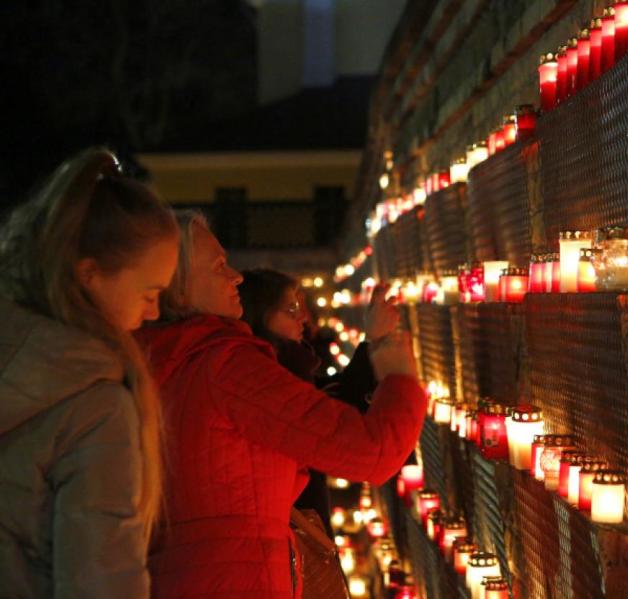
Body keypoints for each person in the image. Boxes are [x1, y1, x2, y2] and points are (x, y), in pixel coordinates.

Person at [136, 211, 425, 598]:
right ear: (179, 286)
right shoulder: (226, 367)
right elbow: (372, 452)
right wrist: (399, 377)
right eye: (219, 266)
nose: (235, 276)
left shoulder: (155, 365)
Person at [0, 148, 179, 598]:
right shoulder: (94, 405)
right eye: (149, 292)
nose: (154, 311)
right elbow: (102, 581)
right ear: (90, 275)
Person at [239, 269, 393, 538]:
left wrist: (373, 342)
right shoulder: (268, 382)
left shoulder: (290, 370)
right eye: (290, 309)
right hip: (288, 538)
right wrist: (399, 376)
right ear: (259, 317)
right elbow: (339, 422)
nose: (303, 318)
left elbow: (332, 401)